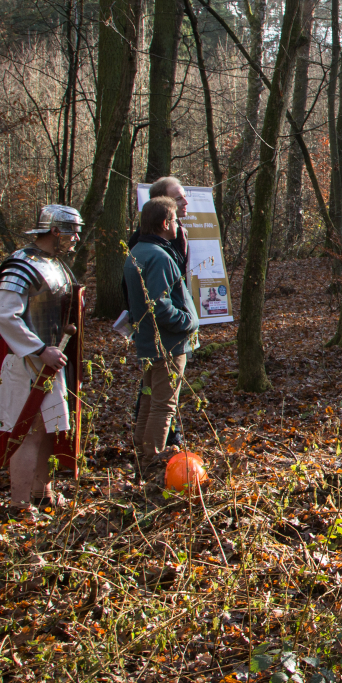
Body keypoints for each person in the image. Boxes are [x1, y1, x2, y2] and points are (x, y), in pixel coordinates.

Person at [0, 204, 84, 513]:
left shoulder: (54, 264)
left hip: (49, 361)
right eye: (73, 231)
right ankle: (19, 504)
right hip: (26, 361)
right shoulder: (21, 265)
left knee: (44, 430)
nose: (76, 239)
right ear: (55, 231)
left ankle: (41, 492)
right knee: (26, 432)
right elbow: (4, 314)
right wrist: (39, 349)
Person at [124, 197, 201, 495]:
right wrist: (187, 321)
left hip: (149, 343)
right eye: (174, 220)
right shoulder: (157, 256)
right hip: (167, 344)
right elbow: (159, 305)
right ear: (165, 223)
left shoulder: (138, 252)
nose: (178, 225)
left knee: (148, 401)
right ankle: (153, 459)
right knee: (163, 405)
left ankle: (144, 459)